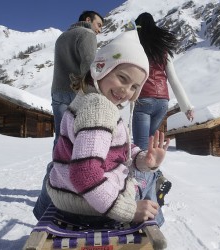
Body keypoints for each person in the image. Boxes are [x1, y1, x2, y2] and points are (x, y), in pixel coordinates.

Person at [33, 30, 170, 226]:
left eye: (134, 87)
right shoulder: (100, 109)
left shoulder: (85, 99)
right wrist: (130, 210)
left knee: (145, 170)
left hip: (70, 198)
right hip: (92, 206)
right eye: (122, 78)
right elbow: (85, 174)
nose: (126, 90)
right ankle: (153, 226)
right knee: (149, 179)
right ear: (101, 68)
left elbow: (112, 151)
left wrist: (143, 159)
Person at [132, 12, 195, 205]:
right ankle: (158, 178)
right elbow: (173, 80)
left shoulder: (137, 47)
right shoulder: (162, 49)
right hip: (162, 102)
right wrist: (186, 106)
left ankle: (145, 197)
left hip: (143, 102)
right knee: (150, 149)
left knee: (143, 152)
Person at [51, 11, 104, 147]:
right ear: (88, 20)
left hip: (58, 91)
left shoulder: (62, 37)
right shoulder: (87, 34)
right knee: (79, 137)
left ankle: (57, 166)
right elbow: (88, 64)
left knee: (61, 137)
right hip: (77, 92)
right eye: (98, 25)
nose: (99, 30)